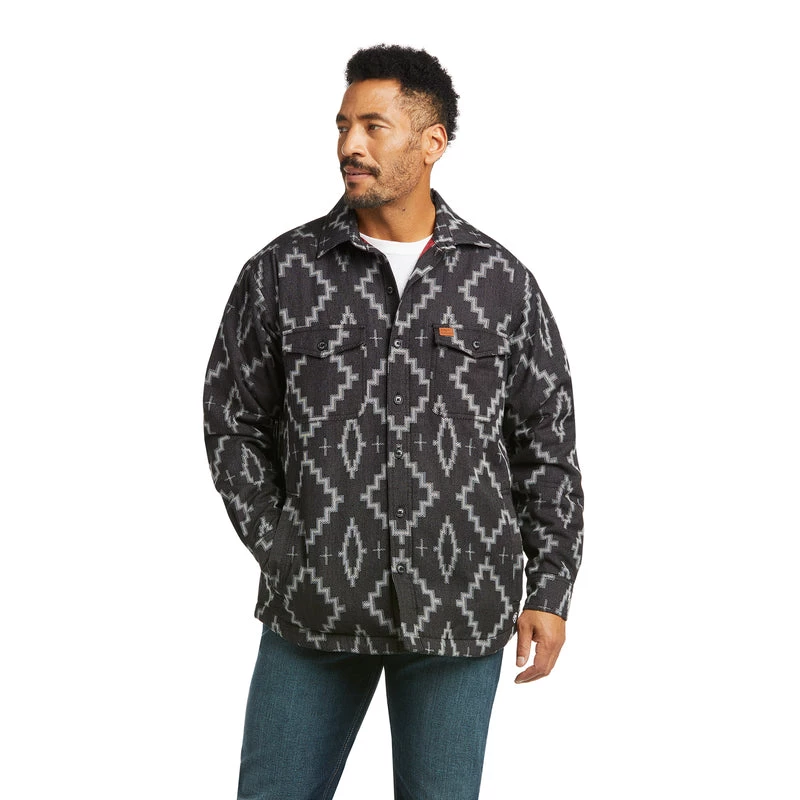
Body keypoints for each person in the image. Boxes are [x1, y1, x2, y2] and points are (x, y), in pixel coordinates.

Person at [203, 44, 584, 800]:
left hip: (461, 607)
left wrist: (550, 587)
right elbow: (231, 420)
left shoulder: (501, 281)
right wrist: (284, 547)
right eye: (343, 125)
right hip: (314, 609)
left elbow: (546, 446)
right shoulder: (283, 271)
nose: (350, 144)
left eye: (374, 127)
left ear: (432, 142)